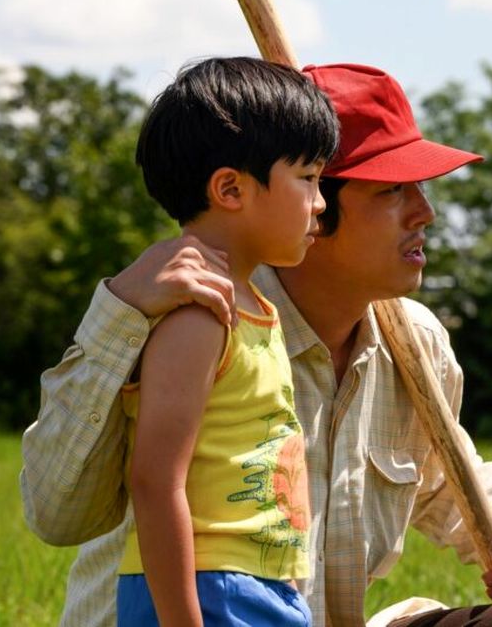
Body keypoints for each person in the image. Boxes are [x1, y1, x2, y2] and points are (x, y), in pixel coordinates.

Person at [21, 62, 492, 627]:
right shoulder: (192, 313)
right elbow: (55, 515)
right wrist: (119, 313)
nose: (425, 212)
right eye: (391, 190)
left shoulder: (417, 342)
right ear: (318, 204)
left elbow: (446, 476)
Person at [117, 57, 340, 625]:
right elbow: (154, 479)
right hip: (208, 589)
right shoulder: (198, 317)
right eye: (309, 179)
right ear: (231, 188)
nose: (320, 202)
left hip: (257, 585)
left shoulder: (257, 310)